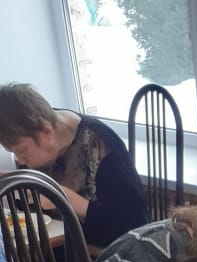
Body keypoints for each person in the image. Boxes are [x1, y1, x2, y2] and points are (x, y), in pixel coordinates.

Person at [0, 82, 148, 249]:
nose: (19, 160)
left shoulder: (101, 147)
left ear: (46, 132)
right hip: (58, 248)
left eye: (22, 151)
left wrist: (66, 198)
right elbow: (31, 211)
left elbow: (135, 228)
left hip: (108, 255)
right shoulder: (34, 131)